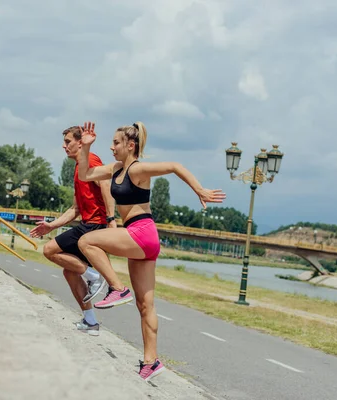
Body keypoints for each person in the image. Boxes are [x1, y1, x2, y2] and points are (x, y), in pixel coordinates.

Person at [76, 121, 226, 381]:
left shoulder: (138, 169)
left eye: (116, 143)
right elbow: (85, 174)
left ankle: (116, 287)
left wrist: (199, 190)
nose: (111, 147)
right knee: (145, 305)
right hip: (141, 238)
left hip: (141, 232)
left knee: (87, 242)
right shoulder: (115, 169)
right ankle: (151, 361)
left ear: (130, 145)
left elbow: (175, 166)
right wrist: (86, 147)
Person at [30, 125, 117, 336]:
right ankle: (91, 322)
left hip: (94, 225)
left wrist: (111, 219)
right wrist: (52, 225)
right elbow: (75, 208)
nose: (64, 146)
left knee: (50, 250)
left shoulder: (91, 160)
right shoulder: (79, 167)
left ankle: (95, 276)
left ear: (81, 142)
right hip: (87, 223)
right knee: (70, 272)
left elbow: (106, 184)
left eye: (68, 141)